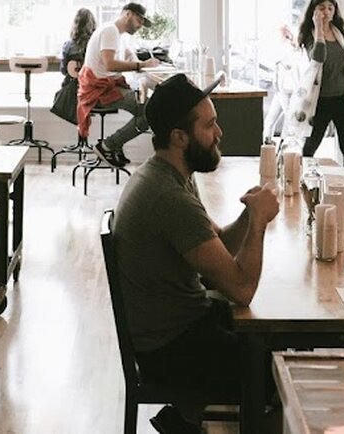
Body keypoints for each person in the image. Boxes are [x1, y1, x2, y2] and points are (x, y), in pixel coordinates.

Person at [114, 73, 280, 434]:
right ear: (179, 137)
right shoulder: (168, 197)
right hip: (170, 349)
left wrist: (249, 214)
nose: (219, 133)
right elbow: (240, 288)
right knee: (281, 374)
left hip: (179, 325)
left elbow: (217, 243)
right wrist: (261, 223)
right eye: (210, 125)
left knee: (276, 339)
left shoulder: (170, 174)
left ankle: (182, 421)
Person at [284, 0, 344, 177]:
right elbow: (319, 58)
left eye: (330, 8)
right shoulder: (310, 35)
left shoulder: (338, 32)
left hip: (343, 100)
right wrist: (319, 29)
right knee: (309, 149)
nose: (327, 12)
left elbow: (342, 65)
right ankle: (301, 183)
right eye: (322, 7)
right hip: (320, 102)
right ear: (314, 11)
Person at [77, 2, 161, 167]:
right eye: (139, 20)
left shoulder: (118, 35)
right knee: (151, 112)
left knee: (149, 107)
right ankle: (108, 146)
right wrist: (142, 66)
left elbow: (130, 56)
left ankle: (114, 145)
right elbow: (110, 65)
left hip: (107, 86)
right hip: (100, 91)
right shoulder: (110, 31)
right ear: (127, 14)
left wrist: (142, 63)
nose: (140, 25)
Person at [51, 8, 97, 124]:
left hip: (73, 93)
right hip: (93, 93)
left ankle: (81, 137)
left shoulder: (68, 46)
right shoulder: (96, 45)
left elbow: (63, 70)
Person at [262, 23, 300, 141]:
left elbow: (286, 63)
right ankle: (268, 143)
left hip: (286, 89)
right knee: (272, 119)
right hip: (281, 89)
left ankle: (282, 144)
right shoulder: (284, 47)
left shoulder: (288, 48)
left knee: (287, 118)